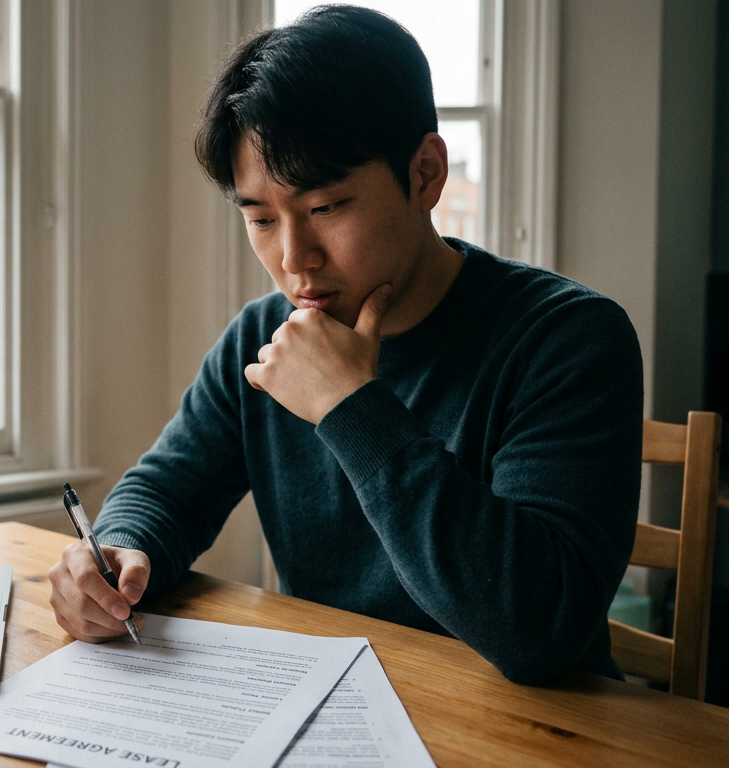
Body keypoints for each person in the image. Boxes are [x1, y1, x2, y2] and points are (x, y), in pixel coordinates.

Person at [46, 5, 643, 685]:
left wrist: (351, 406)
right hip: (332, 704)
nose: (295, 258)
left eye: (325, 208)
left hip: (529, 729)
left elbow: (542, 631)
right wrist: (118, 551)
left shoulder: (567, 337)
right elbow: (168, 488)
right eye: (262, 218)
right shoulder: (261, 336)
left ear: (425, 174)